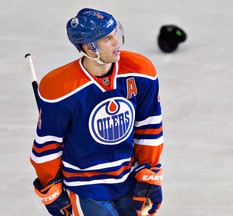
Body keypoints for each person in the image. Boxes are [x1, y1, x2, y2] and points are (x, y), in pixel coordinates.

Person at [30, 8, 164, 216]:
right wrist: (51, 188)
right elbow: (48, 144)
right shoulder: (60, 88)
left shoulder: (140, 71)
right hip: (85, 189)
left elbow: (149, 127)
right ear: (88, 48)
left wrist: (149, 174)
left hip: (128, 181)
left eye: (115, 34)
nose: (117, 43)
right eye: (107, 39)